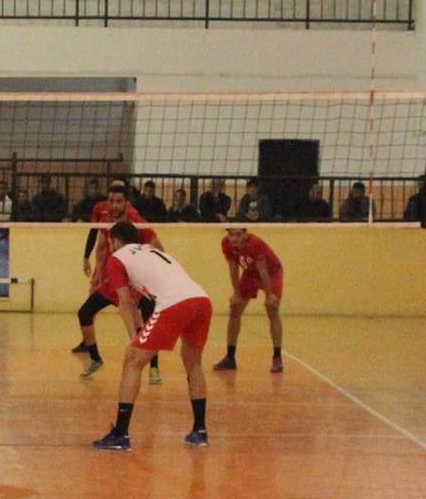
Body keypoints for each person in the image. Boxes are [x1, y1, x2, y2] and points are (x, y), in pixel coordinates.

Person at [92, 223, 212, 452]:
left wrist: (133, 338)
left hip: (175, 303)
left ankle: (120, 433)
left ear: (114, 242)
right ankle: (200, 431)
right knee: (193, 363)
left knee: (132, 360)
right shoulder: (151, 250)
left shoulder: (117, 257)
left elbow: (124, 302)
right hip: (201, 300)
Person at [76, 184, 159, 380]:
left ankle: (154, 367)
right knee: (84, 313)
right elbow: (103, 247)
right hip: (113, 279)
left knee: (141, 323)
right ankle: (96, 359)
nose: (114, 205)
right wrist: (98, 272)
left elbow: (158, 249)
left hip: (134, 281)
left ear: (127, 203)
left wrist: (147, 275)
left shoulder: (138, 223)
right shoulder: (106, 220)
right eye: (111, 201)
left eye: (119, 201)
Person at [213, 227, 283, 373]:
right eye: (231, 234)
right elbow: (233, 268)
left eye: (238, 234)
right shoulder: (226, 244)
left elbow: (263, 270)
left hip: (271, 274)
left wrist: (270, 295)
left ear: (246, 235)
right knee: (234, 310)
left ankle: (277, 357)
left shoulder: (255, 244)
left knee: (272, 310)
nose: (234, 239)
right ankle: (230, 358)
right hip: (250, 274)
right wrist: (236, 294)